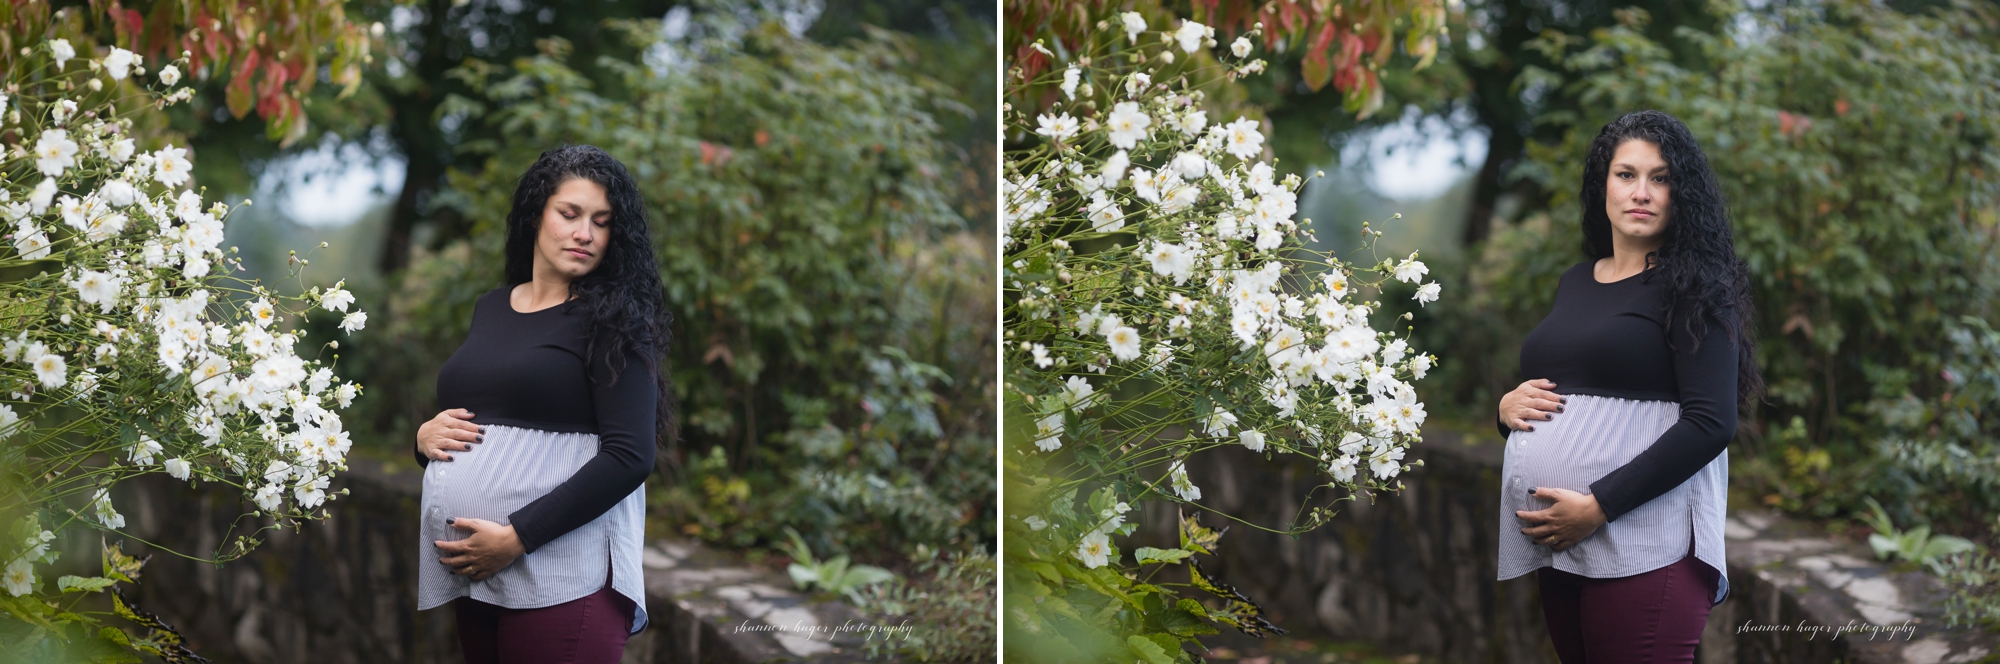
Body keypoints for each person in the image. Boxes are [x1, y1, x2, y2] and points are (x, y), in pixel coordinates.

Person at [1493, 110, 1764, 662]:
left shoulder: (1697, 285)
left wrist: (1598, 506)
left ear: (1680, 193)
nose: (1642, 192)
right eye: (1626, 174)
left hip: (1648, 543)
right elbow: (1565, 389)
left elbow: (1712, 423)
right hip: (1560, 545)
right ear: (1603, 185)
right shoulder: (1577, 280)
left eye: (1660, 178)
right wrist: (1504, 410)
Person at [412, 145, 675, 664]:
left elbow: (631, 456)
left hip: (564, 578)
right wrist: (423, 441)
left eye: (602, 222)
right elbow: (478, 422)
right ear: (537, 213)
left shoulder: (617, 321)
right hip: (476, 578)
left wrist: (517, 537)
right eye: (570, 214)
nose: (586, 234)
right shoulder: (491, 307)